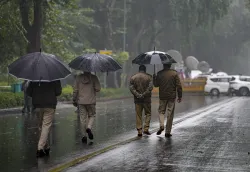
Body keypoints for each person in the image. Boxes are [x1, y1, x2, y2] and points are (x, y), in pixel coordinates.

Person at [27, 81, 62, 157]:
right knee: (45, 126)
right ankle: (40, 148)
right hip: (50, 105)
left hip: (37, 105)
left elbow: (29, 92)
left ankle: (46, 146)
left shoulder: (34, 79)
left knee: (41, 127)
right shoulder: (55, 78)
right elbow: (58, 92)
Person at [153, 63, 182, 137]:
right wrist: (179, 96)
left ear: (163, 66)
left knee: (161, 111)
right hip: (171, 97)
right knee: (170, 114)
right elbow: (179, 86)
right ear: (170, 66)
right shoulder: (174, 73)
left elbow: (156, 85)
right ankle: (167, 132)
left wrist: (154, 78)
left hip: (162, 96)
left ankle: (162, 125)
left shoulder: (159, 73)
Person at [73, 72, 101, 143]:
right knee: (92, 115)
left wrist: (74, 99)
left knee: (82, 118)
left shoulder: (78, 77)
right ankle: (89, 127)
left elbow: (75, 90)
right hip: (91, 101)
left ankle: (84, 136)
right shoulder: (94, 77)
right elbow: (98, 89)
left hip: (81, 102)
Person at [129, 65, 153, 137]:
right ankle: (146, 128)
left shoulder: (133, 77)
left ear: (139, 70)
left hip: (137, 100)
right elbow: (150, 87)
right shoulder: (149, 77)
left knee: (138, 115)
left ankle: (139, 130)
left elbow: (131, 88)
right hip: (147, 99)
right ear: (145, 70)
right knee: (148, 113)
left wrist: (138, 95)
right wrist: (144, 94)